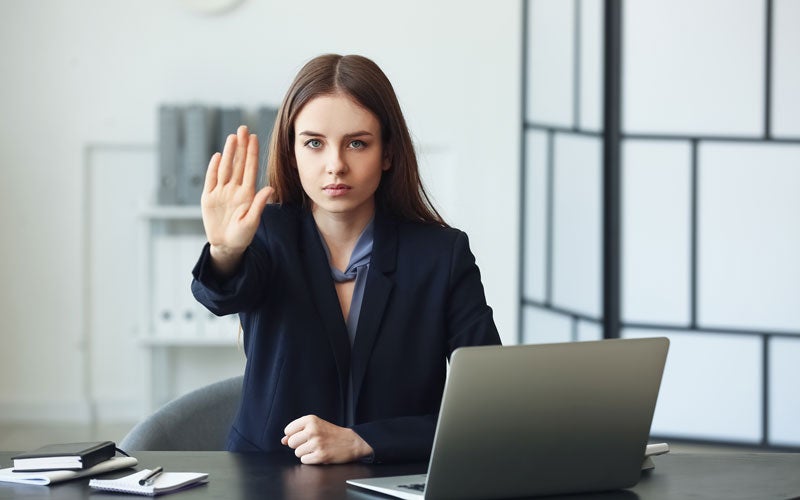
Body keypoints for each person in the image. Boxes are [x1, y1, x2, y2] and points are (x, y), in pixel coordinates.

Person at [191, 53, 500, 464]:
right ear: (292, 151)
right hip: (267, 477)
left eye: (357, 143)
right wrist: (226, 251)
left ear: (387, 154)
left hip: (396, 479)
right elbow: (222, 296)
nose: (335, 166)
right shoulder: (266, 234)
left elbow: (487, 406)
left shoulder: (441, 255)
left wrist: (365, 440)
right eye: (314, 143)